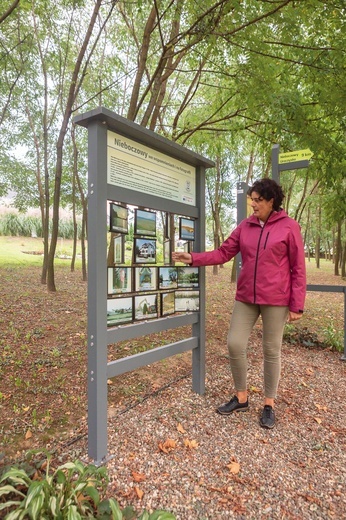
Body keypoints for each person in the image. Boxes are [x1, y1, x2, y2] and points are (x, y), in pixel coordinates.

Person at [172, 178, 306, 429]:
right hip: (246, 297)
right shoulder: (245, 226)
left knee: (271, 350)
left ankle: (269, 404)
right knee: (234, 343)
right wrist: (192, 258)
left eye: (257, 200)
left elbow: (298, 268)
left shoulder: (289, 227)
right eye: (251, 200)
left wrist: (297, 304)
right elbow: (223, 253)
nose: (253, 205)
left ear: (271, 201)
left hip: (276, 299)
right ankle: (241, 396)